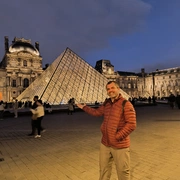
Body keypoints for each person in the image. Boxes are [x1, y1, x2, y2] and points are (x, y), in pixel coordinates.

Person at [77, 81, 136, 180]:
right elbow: (96, 112)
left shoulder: (126, 104)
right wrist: (84, 107)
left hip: (120, 145)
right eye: (108, 89)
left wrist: (117, 136)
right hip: (105, 143)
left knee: (123, 173)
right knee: (104, 171)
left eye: (112, 88)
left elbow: (131, 124)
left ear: (118, 89)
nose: (110, 90)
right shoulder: (107, 103)